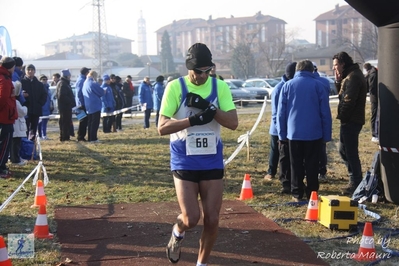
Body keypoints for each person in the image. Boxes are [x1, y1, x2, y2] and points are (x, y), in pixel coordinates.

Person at [158, 43, 238, 266]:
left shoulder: (219, 87)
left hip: (211, 158)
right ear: (188, 68)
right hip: (184, 158)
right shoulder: (176, 87)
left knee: (212, 219)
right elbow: (162, 127)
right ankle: (178, 230)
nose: (203, 76)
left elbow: (233, 123)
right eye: (198, 71)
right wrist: (192, 120)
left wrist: (209, 108)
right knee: (192, 218)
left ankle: (201, 264)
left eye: (208, 70)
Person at [277, 60, 332, 202]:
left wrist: (281, 134)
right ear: (311, 70)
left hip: (293, 133)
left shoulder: (287, 86)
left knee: (295, 164)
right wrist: (326, 135)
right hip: (314, 133)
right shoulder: (318, 86)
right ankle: (312, 192)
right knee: (312, 164)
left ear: (297, 70)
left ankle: (297, 192)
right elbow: (325, 113)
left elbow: (281, 113)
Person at [333, 51, 367, 195]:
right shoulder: (349, 75)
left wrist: (343, 117)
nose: (334, 68)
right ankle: (354, 178)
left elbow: (348, 100)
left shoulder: (353, 77)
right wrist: (337, 81)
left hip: (351, 120)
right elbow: (342, 94)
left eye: (335, 65)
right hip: (350, 119)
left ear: (342, 63)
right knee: (343, 150)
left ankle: (356, 181)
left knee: (350, 151)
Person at [264, 62, 296, 195]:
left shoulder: (291, 86)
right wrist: (279, 128)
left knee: (284, 153)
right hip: (278, 128)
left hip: (288, 127)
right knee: (275, 151)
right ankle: (271, 172)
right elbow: (276, 112)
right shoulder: (279, 88)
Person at [312, 62, 331, 183]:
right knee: (321, 147)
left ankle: (316, 170)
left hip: (312, 117)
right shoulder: (325, 82)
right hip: (321, 118)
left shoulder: (315, 82)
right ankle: (322, 171)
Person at [0, 57, 17, 178]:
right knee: (5, 143)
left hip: (5, 115)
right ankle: (1, 167)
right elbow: (2, 98)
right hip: (5, 117)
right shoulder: (4, 79)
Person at [21, 64, 47, 141]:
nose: (30, 71)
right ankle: (25, 146)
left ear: (34, 71)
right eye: (28, 70)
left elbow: (44, 95)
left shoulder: (39, 84)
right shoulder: (22, 82)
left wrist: (39, 104)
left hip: (36, 110)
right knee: (24, 129)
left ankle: (31, 146)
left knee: (33, 129)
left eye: (32, 70)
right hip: (25, 110)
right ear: (25, 71)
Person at [82, 71, 104, 143]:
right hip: (95, 105)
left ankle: (90, 137)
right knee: (95, 123)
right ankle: (93, 138)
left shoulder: (85, 83)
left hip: (88, 105)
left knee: (90, 122)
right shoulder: (93, 83)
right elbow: (101, 92)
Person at [10, 81, 28, 166]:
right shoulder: (15, 102)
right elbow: (22, 112)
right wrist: (25, 108)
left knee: (13, 145)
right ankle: (15, 160)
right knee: (15, 145)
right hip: (16, 127)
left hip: (14, 126)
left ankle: (14, 158)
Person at [56, 69, 76, 142]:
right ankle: (64, 137)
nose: (70, 77)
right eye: (69, 75)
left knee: (66, 122)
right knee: (65, 122)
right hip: (64, 107)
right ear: (66, 76)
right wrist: (70, 101)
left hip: (65, 107)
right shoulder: (63, 84)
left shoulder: (63, 83)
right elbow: (62, 96)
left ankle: (65, 136)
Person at [364, 63, 379, 143]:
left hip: (374, 97)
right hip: (376, 97)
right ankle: (375, 134)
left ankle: (375, 134)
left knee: (375, 115)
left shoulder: (370, 73)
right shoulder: (374, 73)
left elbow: (369, 87)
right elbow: (372, 87)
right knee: (375, 116)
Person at [75, 67, 91, 141]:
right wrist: (81, 103)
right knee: (83, 121)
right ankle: (80, 137)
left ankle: (81, 136)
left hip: (82, 103)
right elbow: (79, 93)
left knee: (84, 121)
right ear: (86, 73)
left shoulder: (82, 79)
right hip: (81, 105)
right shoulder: (81, 80)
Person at [37, 75, 52, 140]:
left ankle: (44, 135)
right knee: (40, 122)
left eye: (45, 79)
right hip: (42, 107)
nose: (44, 80)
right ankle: (40, 135)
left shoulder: (48, 88)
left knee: (45, 122)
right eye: (43, 79)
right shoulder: (39, 88)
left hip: (47, 107)